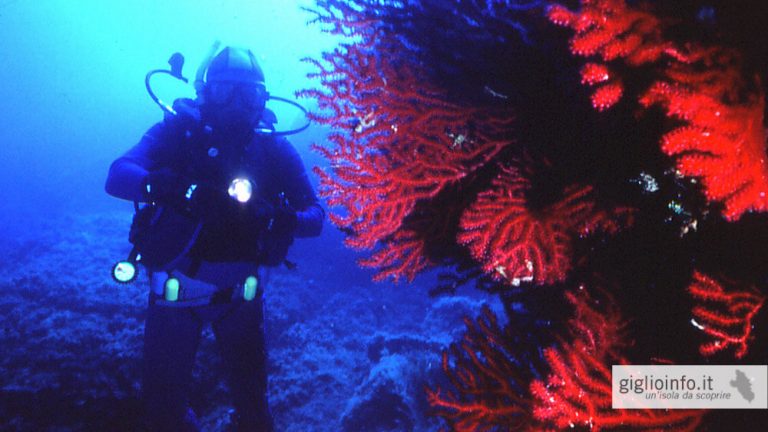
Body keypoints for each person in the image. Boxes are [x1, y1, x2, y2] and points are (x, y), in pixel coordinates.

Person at [105, 46, 324, 431]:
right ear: (205, 92)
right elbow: (118, 174)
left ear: (262, 100)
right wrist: (167, 186)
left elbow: (316, 217)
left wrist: (281, 220)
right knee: (163, 415)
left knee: (255, 412)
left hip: (242, 298)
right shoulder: (176, 134)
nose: (237, 105)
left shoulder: (273, 148)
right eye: (225, 92)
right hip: (174, 296)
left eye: (249, 95)